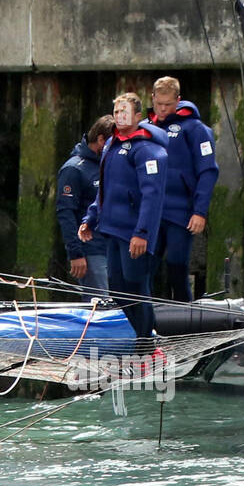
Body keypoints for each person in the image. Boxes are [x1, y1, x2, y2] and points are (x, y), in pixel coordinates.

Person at [78, 93, 169, 341]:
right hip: (112, 230)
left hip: (135, 233)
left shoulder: (148, 149)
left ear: (138, 115)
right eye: (116, 112)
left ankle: (146, 338)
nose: (119, 116)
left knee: (136, 286)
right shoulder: (111, 144)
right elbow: (104, 189)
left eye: (125, 111)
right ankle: (140, 334)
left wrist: (142, 233)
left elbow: (153, 196)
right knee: (118, 288)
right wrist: (90, 218)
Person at [146, 77, 219, 303]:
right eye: (159, 104)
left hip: (181, 212)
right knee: (145, 266)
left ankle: (184, 310)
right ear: (153, 99)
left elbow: (208, 171)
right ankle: (145, 312)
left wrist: (200, 211)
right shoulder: (148, 128)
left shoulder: (196, 129)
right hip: (152, 212)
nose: (163, 109)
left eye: (168, 104)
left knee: (177, 264)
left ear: (178, 100)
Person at [56, 115, 115, 300]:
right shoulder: (74, 169)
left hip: (113, 247)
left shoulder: (109, 165)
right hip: (91, 251)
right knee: (100, 305)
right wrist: (75, 253)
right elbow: (65, 213)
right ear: (100, 140)